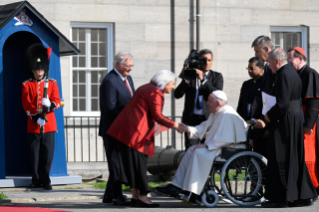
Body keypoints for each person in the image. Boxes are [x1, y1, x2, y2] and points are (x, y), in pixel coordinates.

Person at [107, 70, 187, 208]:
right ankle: (143, 198)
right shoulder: (155, 92)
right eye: (172, 84)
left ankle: (136, 196)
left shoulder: (145, 87)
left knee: (133, 166)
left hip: (129, 133)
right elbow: (157, 116)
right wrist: (176, 125)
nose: (173, 87)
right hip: (137, 135)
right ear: (164, 83)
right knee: (139, 166)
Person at [255, 48, 317, 208]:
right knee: (295, 159)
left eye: (269, 62)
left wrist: (265, 119)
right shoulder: (292, 72)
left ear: (276, 61)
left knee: (280, 159)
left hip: (284, 122)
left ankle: (281, 198)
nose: (268, 65)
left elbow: (282, 105)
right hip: (294, 119)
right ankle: (303, 196)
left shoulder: (283, 74)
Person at [156, 91, 247, 199]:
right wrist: (188, 128)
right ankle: (177, 186)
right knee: (191, 149)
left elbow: (226, 137)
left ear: (218, 103)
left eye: (209, 101)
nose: (207, 103)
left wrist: (208, 146)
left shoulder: (227, 114)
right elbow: (204, 127)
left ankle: (194, 191)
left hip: (228, 148)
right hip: (220, 147)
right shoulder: (218, 113)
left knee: (198, 152)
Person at [22, 44, 61, 190]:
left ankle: (46, 178)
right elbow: (26, 104)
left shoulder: (52, 83)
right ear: (32, 69)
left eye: (41, 68)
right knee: (35, 154)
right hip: (33, 123)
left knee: (47, 153)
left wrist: (50, 105)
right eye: (37, 68)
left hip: (49, 123)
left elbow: (57, 100)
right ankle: (35, 178)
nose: (39, 71)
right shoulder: (27, 85)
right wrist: (35, 117)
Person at [99, 52, 135, 206]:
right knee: (116, 163)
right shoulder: (110, 81)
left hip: (124, 129)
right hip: (113, 129)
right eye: (127, 66)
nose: (130, 69)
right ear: (117, 64)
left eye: (131, 66)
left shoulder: (128, 79)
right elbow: (110, 108)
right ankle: (116, 195)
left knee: (118, 162)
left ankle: (108, 195)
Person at [174, 49, 223, 150]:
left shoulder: (217, 76)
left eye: (209, 60)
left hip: (209, 119)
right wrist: (186, 79)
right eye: (204, 60)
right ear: (199, 61)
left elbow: (218, 95)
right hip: (192, 120)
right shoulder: (190, 76)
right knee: (191, 151)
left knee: (208, 149)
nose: (207, 63)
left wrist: (203, 80)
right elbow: (177, 94)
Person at [288, 47, 319, 194]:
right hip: (299, 117)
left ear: (300, 59)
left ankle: (312, 184)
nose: (288, 61)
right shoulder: (296, 74)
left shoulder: (310, 73)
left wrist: (309, 123)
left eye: (291, 58)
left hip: (308, 119)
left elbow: (314, 100)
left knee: (309, 152)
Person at [237, 57, 268, 158]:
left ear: (261, 68)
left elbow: (268, 106)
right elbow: (241, 105)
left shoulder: (266, 83)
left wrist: (266, 125)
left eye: (252, 68)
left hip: (260, 127)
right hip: (247, 126)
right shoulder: (246, 84)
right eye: (248, 68)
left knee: (260, 155)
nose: (249, 71)